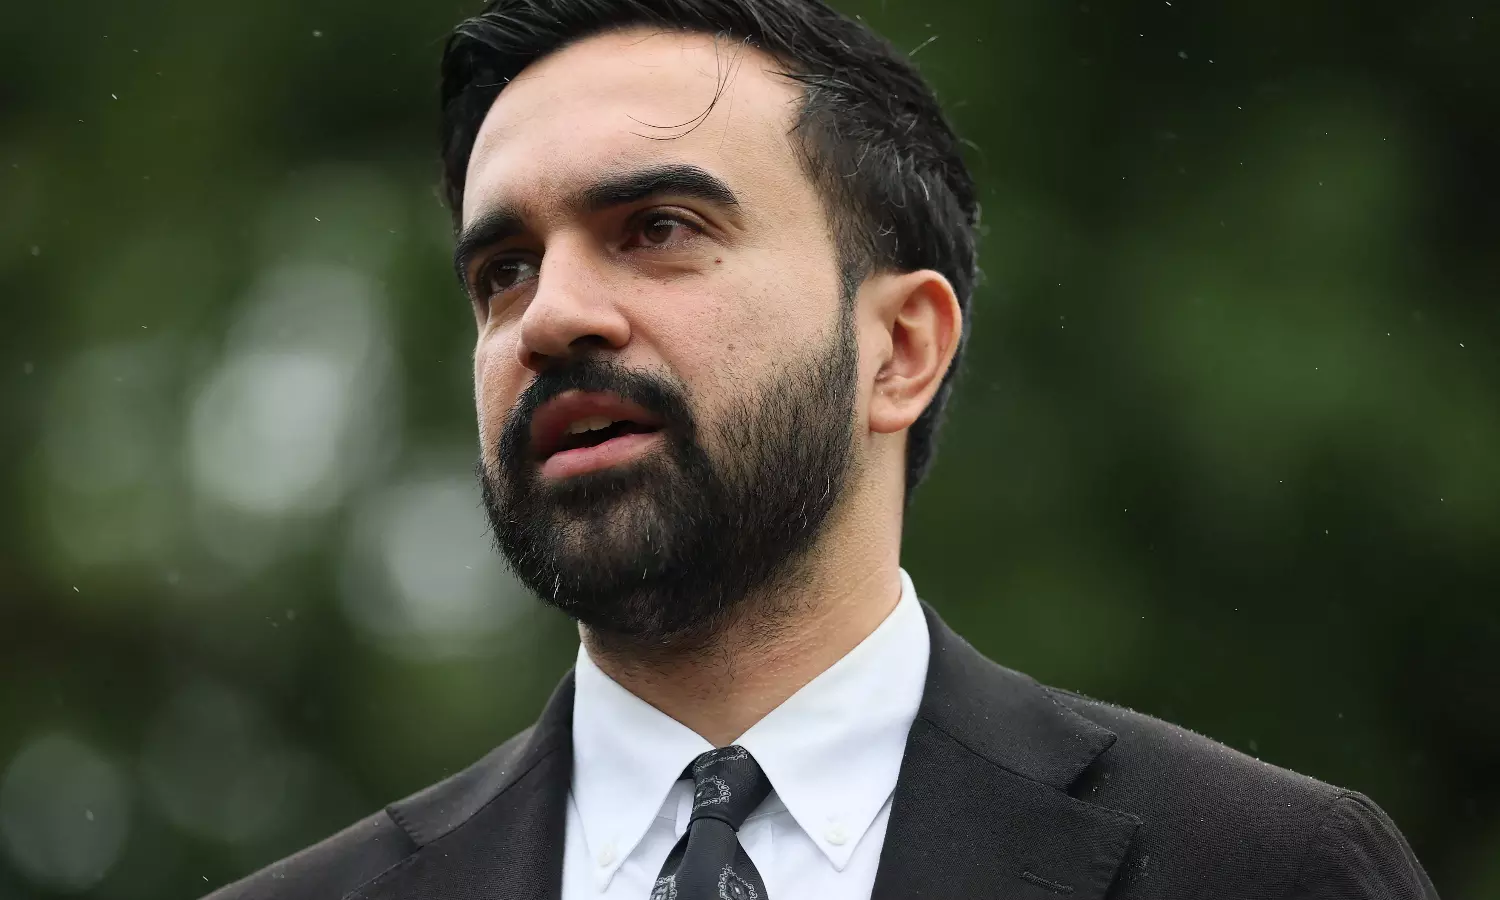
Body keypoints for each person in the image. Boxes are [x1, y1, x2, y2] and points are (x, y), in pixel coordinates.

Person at [206, 0, 1437, 897]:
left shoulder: (1259, 869)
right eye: (505, 270)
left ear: (901, 348)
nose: (550, 316)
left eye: (658, 227)